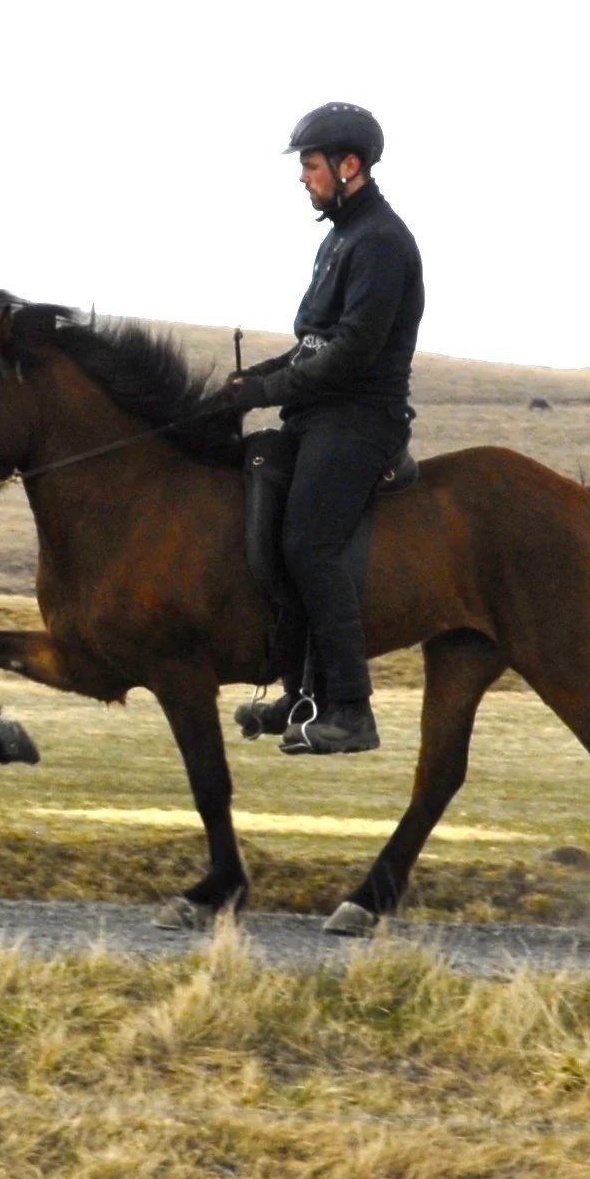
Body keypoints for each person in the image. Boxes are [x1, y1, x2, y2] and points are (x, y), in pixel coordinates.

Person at [224, 102, 424, 755]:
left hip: (361, 419)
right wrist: (250, 383)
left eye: (311, 165)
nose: (304, 178)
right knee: (266, 513)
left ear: (349, 166)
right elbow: (314, 344)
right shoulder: (340, 236)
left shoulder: (382, 244)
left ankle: (352, 709)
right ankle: (303, 688)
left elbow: (350, 354)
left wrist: (269, 390)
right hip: (317, 413)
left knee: (310, 543)